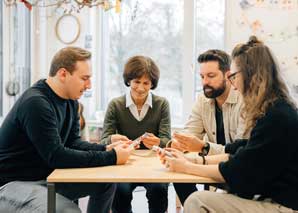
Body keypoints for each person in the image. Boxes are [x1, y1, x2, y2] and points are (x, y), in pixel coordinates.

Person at [159, 36, 298, 212]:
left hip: (283, 204)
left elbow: (239, 169)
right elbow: (240, 151)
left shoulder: (276, 115)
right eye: (202, 76)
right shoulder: (276, 108)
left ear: (250, 75)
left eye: (233, 76)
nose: (233, 84)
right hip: (270, 194)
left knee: (197, 201)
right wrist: (188, 157)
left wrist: (189, 165)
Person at [0, 47, 132, 213]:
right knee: (68, 211)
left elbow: (73, 142)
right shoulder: (36, 103)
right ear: (63, 74)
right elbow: (56, 156)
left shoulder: (71, 102)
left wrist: (106, 148)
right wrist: (112, 156)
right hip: (13, 184)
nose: (89, 85)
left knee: (106, 183)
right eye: (85, 78)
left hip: (47, 177)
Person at [171, 49, 247, 205]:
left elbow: (239, 152)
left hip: (234, 169)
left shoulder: (243, 100)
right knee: (178, 176)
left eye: (211, 76)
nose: (205, 82)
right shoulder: (202, 100)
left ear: (228, 75)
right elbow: (190, 132)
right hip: (211, 164)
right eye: (202, 76)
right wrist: (177, 144)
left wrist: (203, 146)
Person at [101, 55, 171, 213]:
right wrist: (112, 138)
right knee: (120, 192)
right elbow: (103, 141)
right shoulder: (115, 105)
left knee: (159, 190)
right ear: (129, 81)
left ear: (152, 84)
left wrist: (158, 142)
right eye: (136, 82)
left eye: (146, 83)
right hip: (124, 164)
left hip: (154, 166)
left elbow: (167, 141)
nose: (141, 88)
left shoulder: (162, 104)